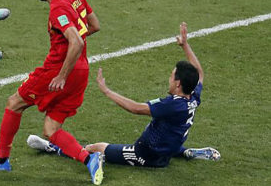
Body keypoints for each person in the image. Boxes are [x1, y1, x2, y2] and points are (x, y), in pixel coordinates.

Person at [0, 0, 105, 185]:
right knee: (50, 129)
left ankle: (2, 161)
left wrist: (62, 74)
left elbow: (75, 41)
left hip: (56, 71)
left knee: (14, 103)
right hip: (82, 70)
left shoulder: (57, 8)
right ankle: (89, 159)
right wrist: (69, 48)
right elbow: (93, 26)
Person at [82, 22, 221, 168]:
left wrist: (107, 91)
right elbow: (199, 73)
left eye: (171, 76)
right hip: (168, 148)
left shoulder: (172, 105)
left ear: (178, 83)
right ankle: (185, 152)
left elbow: (136, 108)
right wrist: (184, 45)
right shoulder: (193, 96)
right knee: (169, 137)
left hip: (147, 155)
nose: (169, 79)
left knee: (96, 148)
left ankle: (60, 149)